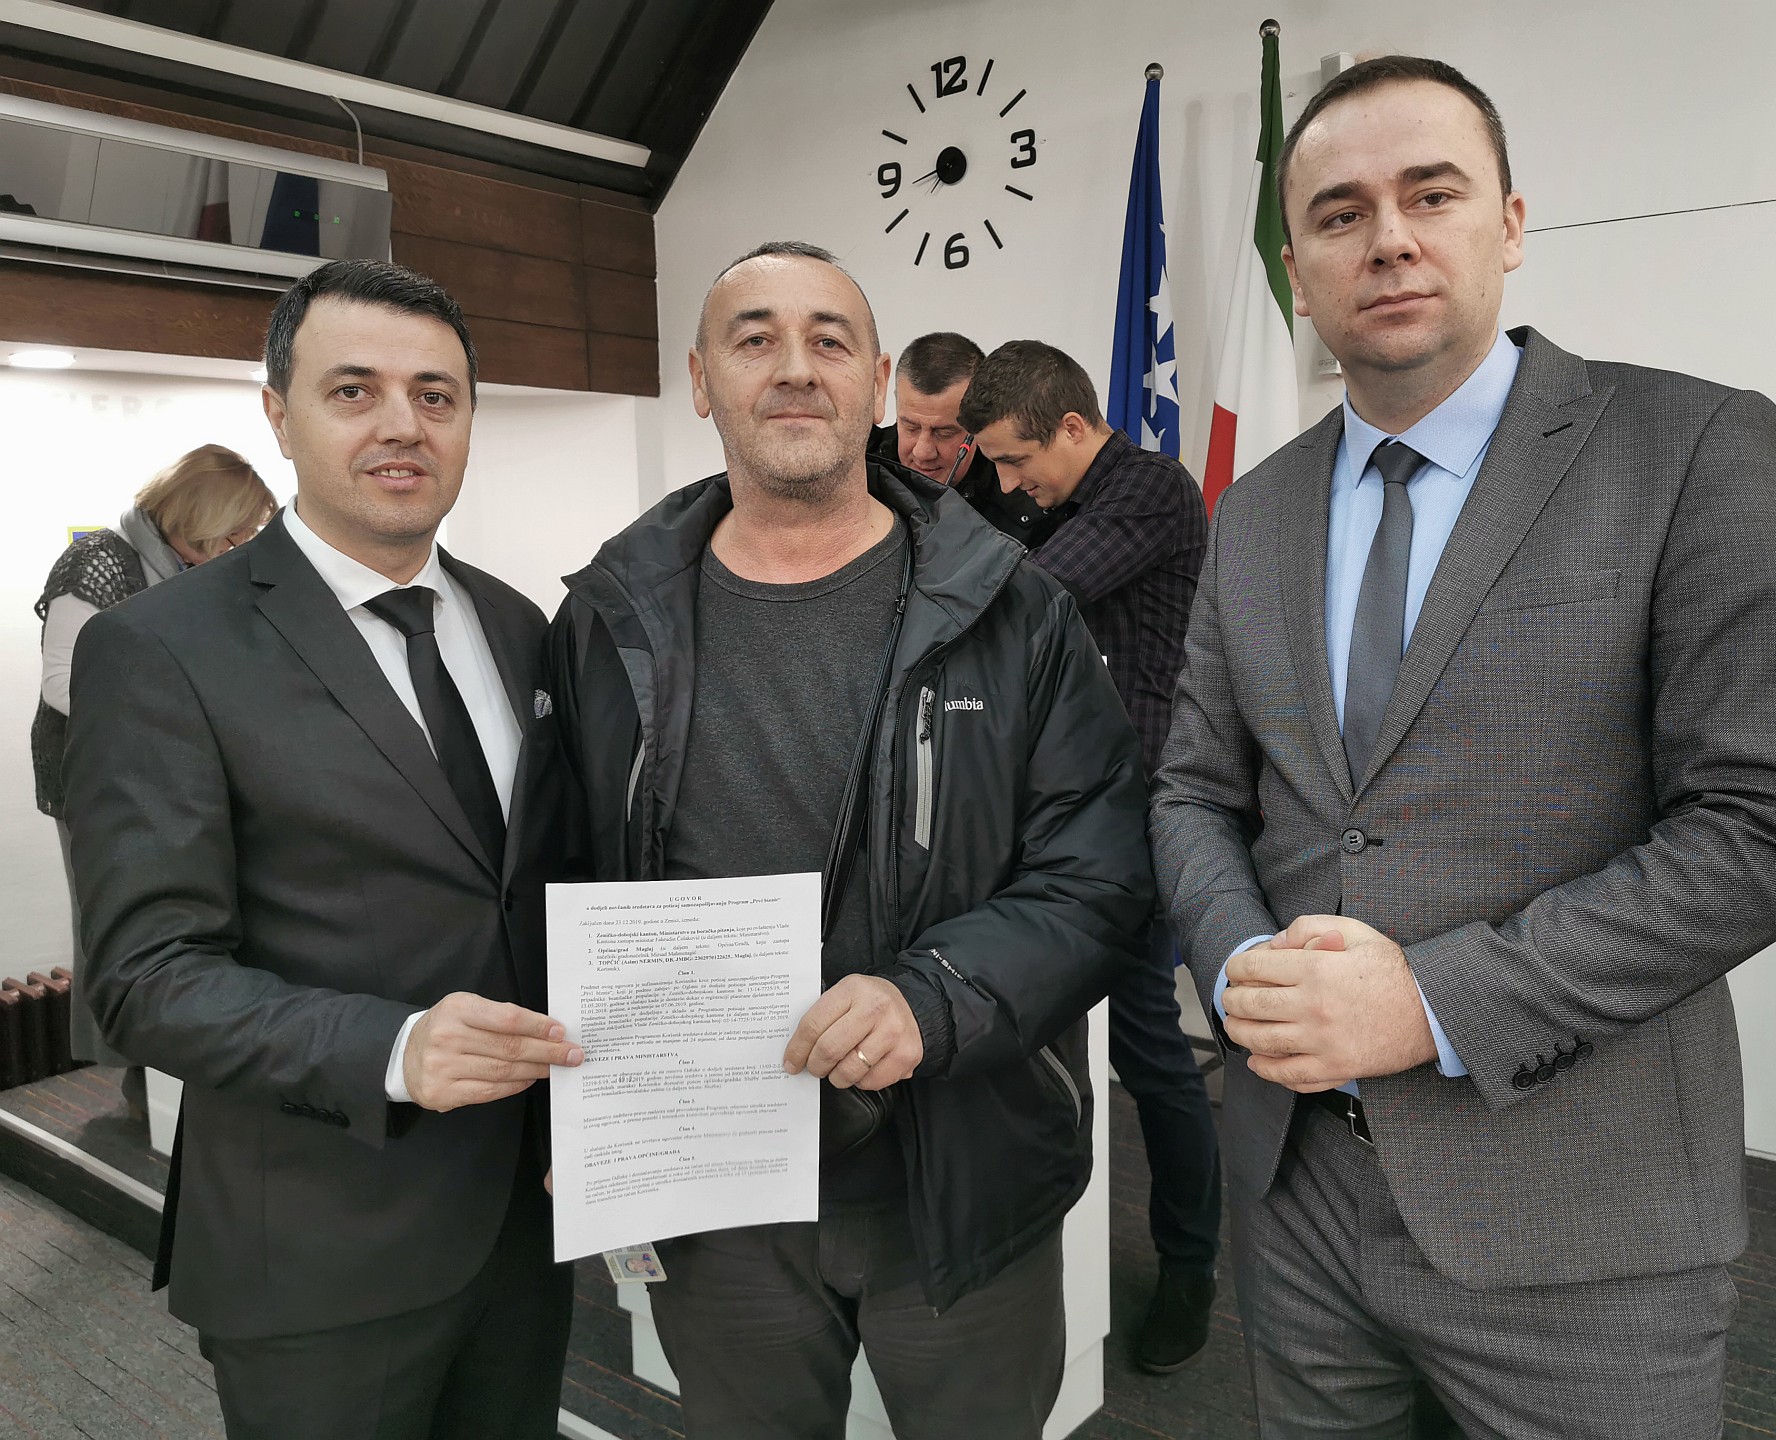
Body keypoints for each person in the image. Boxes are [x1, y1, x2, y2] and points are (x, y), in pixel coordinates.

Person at [1151, 55, 1776, 1437]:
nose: (1389, 238)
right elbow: (1194, 789)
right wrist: (1240, 969)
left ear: (1510, 224)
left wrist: (1435, 1003)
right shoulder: (1256, 510)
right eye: (1340, 213)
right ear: (1296, 274)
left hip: (1580, 1219)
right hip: (1298, 1194)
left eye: (1432, 194)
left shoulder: (1688, 447)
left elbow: (1769, 828)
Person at [548, 241, 1151, 1439]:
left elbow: (1101, 875)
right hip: (714, 1194)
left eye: (829, 340)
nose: (794, 367)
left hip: (961, 1183)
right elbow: (565, 874)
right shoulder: (607, 620)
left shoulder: (1014, 608)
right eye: (754, 338)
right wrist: (575, 1103)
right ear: (700, 379)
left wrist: (934, 999)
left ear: (876, 384)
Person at [62, 259, 585, 1440]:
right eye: (354, 390)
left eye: (436, 395)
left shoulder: (519, 626)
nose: (404, 424)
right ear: (278, 414)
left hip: (523, 1225)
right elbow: (146, 977)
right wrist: (394, 1048)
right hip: (316, 1248)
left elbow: (530, 893)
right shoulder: (159, 649)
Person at [962, 341, 1222, 1374]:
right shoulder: (1062, 499)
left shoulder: (1150, 491)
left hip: (1143, 815)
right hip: (1069, 816)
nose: (1006, 483)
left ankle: (1191, 1267)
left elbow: (1023, 594)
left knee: (1151, 1050)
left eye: (1015, 460)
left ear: (1073, 427)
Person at [32, 443, 277, 1118]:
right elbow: (60, 681)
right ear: (193, 517)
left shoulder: (192, 568)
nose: (238, 545)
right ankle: (133, 1073)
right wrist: (176, 713)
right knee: (116, 923)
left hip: (176, 766)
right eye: (231, 531)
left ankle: (177, 1063)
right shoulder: (100, 560)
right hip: (94, 775)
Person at [866, 330, 1057, 547]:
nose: (923, 452)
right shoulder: (860, 468)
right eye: (911, 427)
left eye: (944, 433)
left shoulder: (1024, 500)